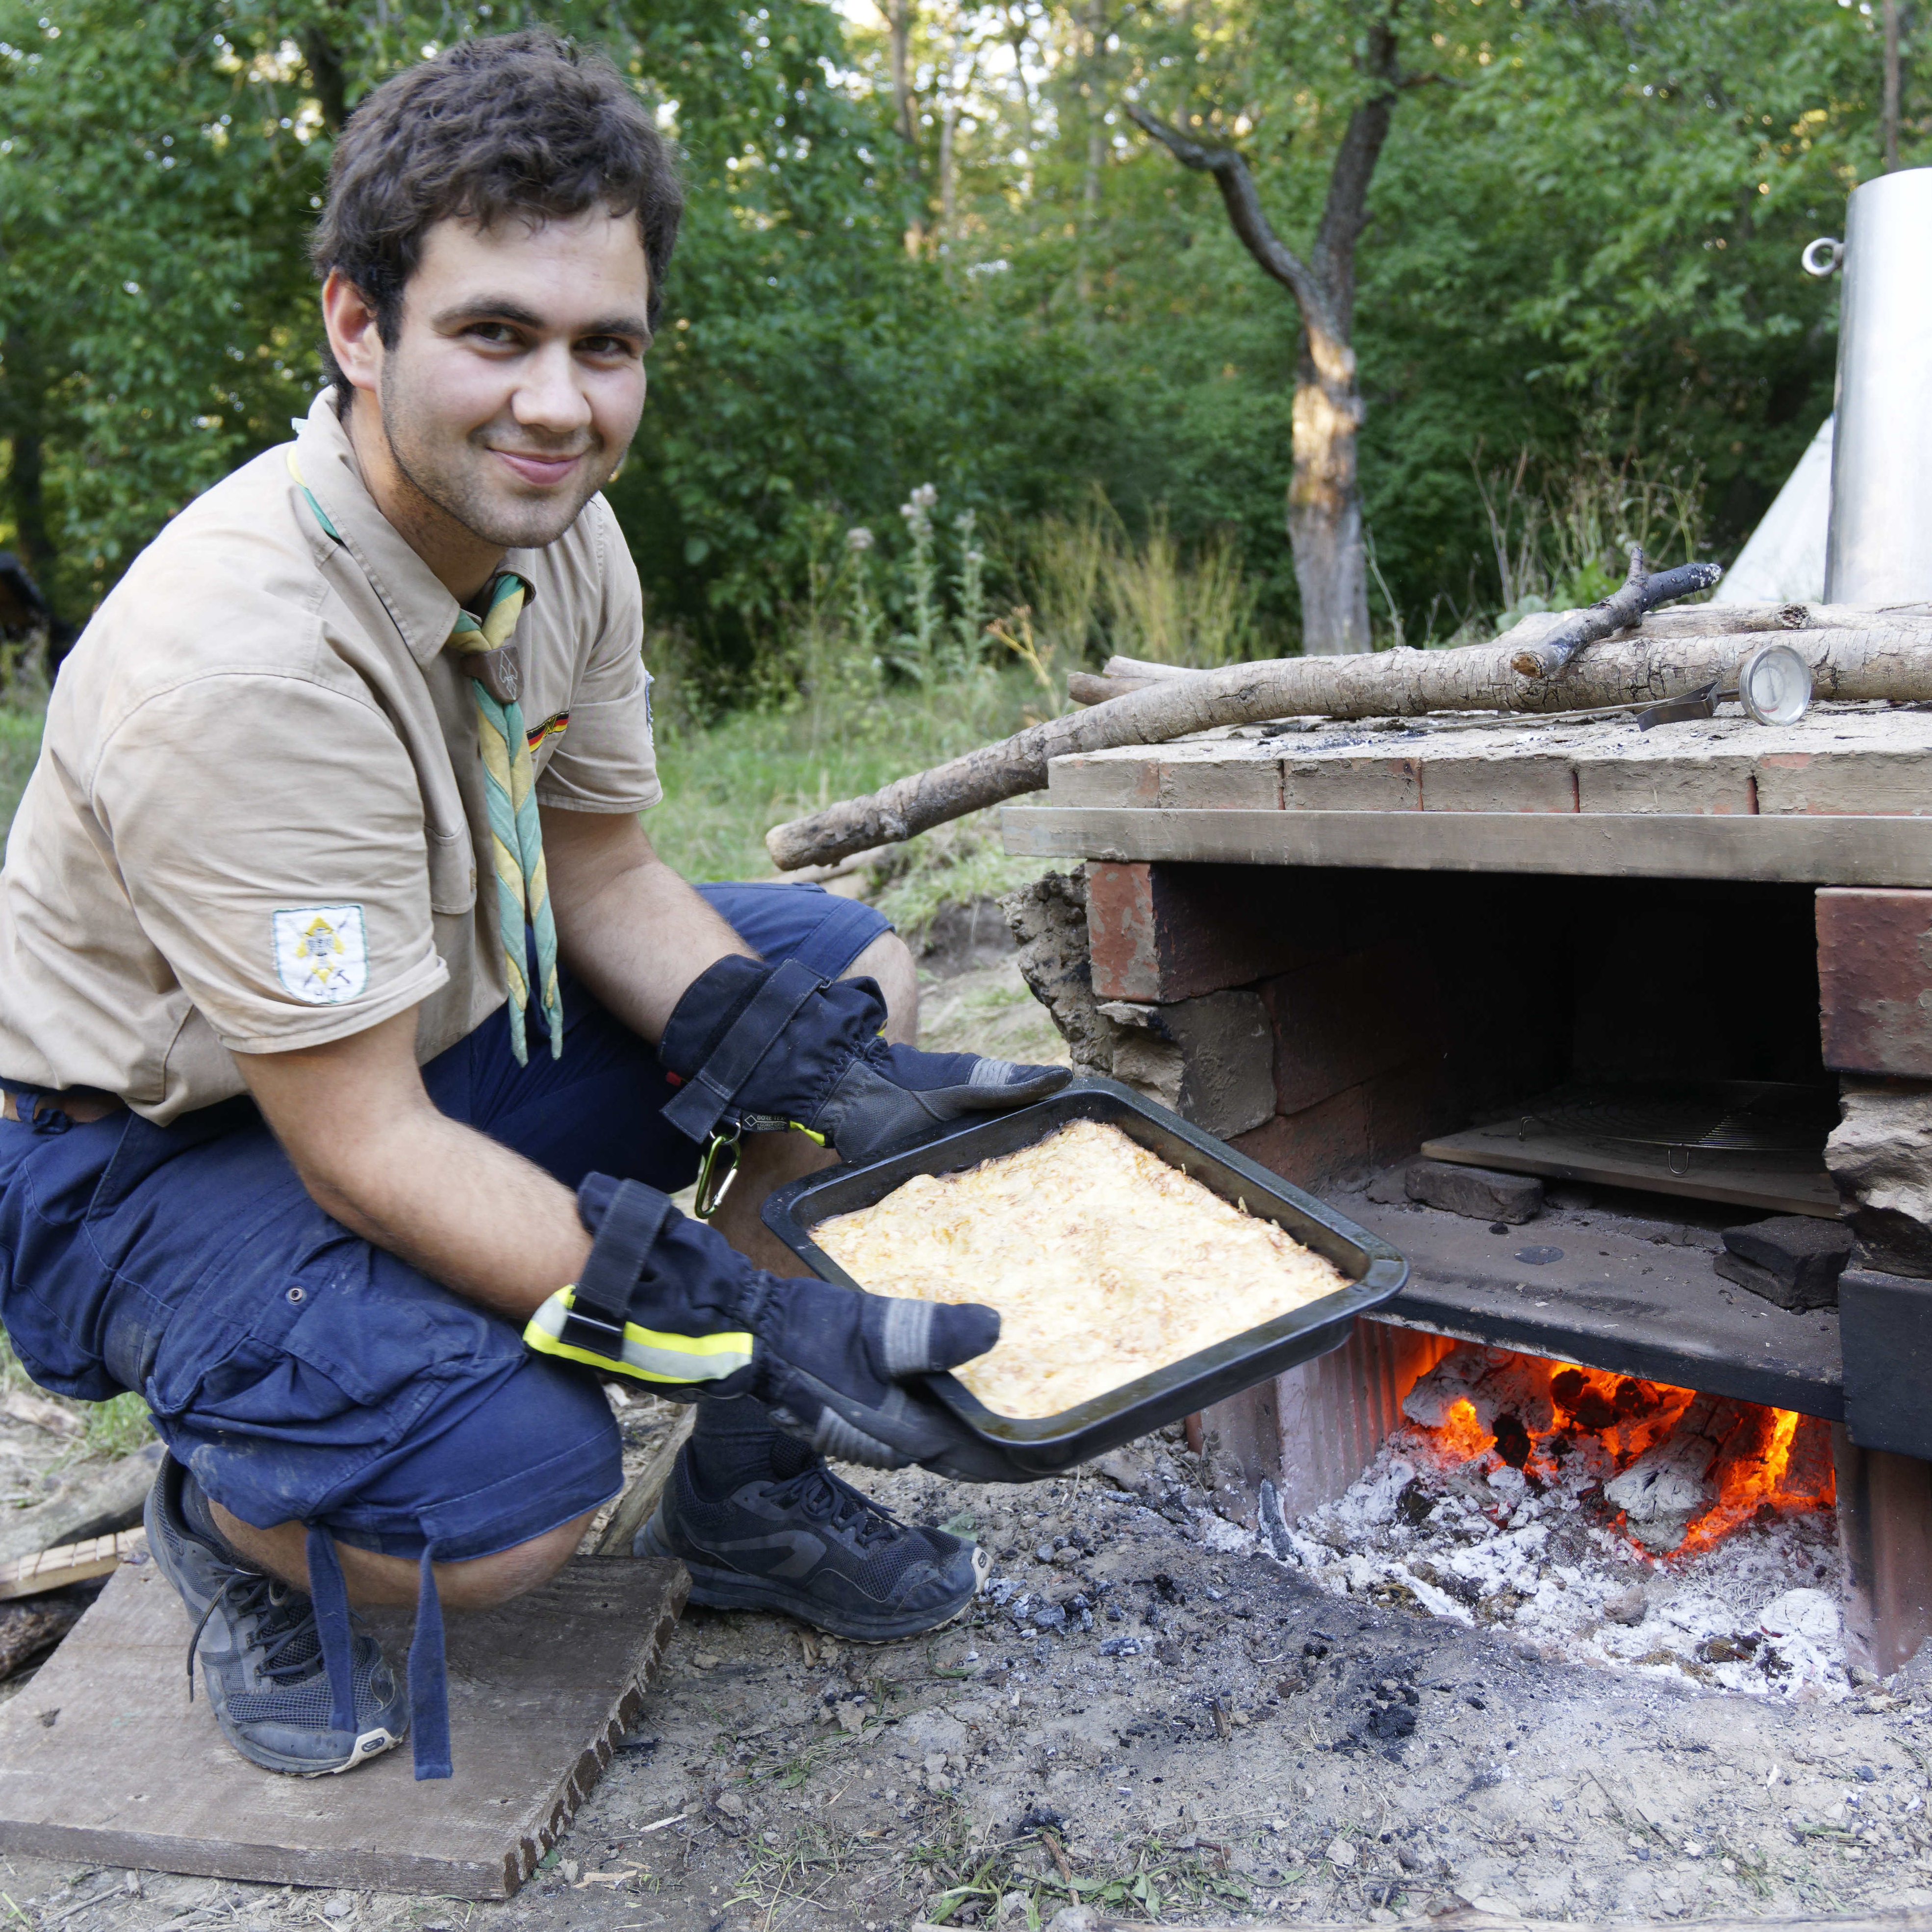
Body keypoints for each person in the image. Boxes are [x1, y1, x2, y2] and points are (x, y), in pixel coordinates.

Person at [0, 31, 1066, 1784]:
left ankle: (749, 1487)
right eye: (496, 333)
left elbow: (599, 874)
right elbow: (360, 1147)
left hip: (422, 1039)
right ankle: (231, 1502)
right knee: (517, 1496)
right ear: (360, 326)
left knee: (840, 980)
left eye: (605, 346)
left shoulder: (555, 532)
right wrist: (745, 1299)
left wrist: (818, 1079)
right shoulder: (244, 665)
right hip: (147, 1151)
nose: (559, 404)